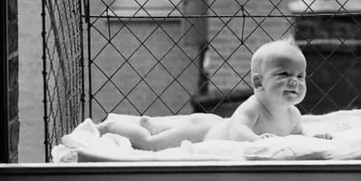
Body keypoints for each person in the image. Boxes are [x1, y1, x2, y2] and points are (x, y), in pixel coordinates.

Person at [97, 38, 326, 150]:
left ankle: (153, 124)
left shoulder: (293, 114)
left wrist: (311, 139)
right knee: (151, 144)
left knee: (163, 130)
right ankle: (114, 125)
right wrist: (258, 141)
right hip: (201, 132)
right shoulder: (253, 107)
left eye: (300, 76)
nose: (294, 82)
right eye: (284, 74)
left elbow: (297, 134)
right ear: (258, 82)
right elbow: (238, 132)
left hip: (214, 124)